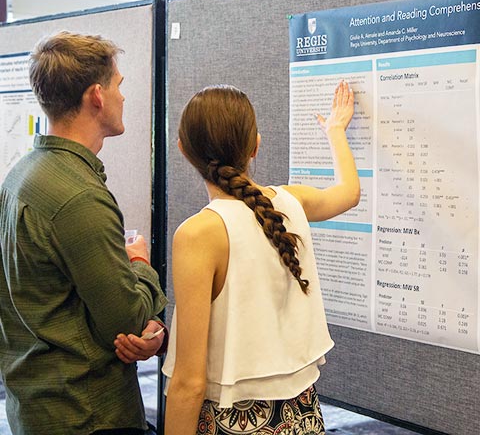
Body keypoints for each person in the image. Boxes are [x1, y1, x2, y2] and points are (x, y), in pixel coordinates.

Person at [161, 80, 360, 435]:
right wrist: (335, 131)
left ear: (183, 150)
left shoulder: (198, 234)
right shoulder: (291, 202)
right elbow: (348, 193)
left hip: (231, 423)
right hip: (304, 418)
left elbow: (189, 382)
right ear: (256, 145)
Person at [0, 31, 168, 435]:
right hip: (88, 415)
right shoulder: (79, 197)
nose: (122, 97)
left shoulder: (21, 175)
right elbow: (124, 321)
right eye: (118, 86)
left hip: (37, 409)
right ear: (96, 95)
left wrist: (149, 331)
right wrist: (140, 264)